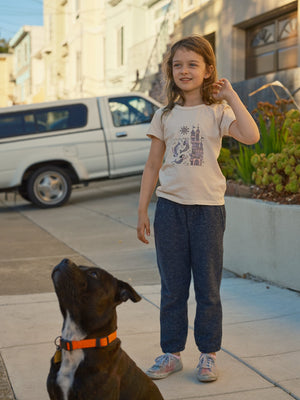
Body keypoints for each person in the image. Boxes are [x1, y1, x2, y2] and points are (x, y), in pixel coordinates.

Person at [137, 35, 260, 383]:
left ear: (208, 71)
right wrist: (143, 210)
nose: (184, 71)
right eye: (178, 65)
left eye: (193, 64)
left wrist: (231, 96)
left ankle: (208, 354)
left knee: (208, 287)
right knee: (172, 287)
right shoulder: (164, 115)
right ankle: (171, 353)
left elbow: (251, 136)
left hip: (208, 211)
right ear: (170, 71)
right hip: (171, 210)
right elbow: (151, 166)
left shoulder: (218, 111)